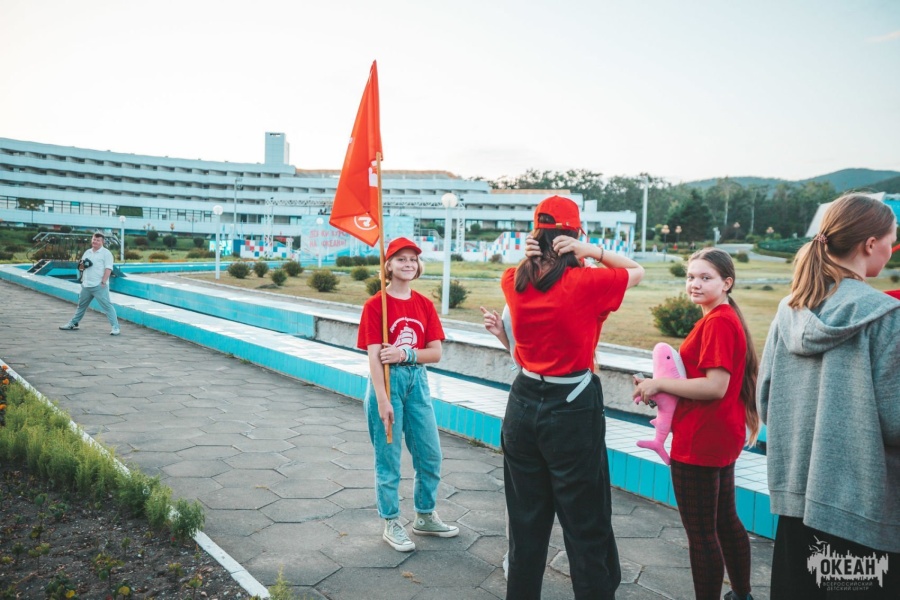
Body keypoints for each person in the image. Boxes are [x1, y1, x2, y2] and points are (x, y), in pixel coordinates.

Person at [497, 195, 644, 600]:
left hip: (523, 402)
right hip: (571, 407)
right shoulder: (586, 283)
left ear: (535, 234)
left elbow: (532, 273)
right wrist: (592, 251)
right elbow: (637, 270)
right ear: (574, 235)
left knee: (525, 526)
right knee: (585, 526)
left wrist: (533, 254)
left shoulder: (512, 280)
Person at [757, 194, 900, 599]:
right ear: (870, 244)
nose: (891, 249)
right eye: (891, 241)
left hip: (796, 504)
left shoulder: (789, 310)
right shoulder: (886, 317)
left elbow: (766, 401)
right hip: (862, 513)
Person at [634, 247, 759, 600]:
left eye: (706, 277)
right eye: (691, 277)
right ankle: (742, 595)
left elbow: (715, 387)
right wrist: (656, 387)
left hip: (700, 439)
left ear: (726, 283)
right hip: (719, 434)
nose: (695, 284)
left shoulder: (718, 322)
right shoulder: (722, 317)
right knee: (725, 521)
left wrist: (658, 384)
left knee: (702, 535)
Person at [356, 237, 459, 552]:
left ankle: (425, 515)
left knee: (430, 454)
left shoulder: (424, 304)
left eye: (413, 259)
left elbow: (435, 353)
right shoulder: (376, 305)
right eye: (401, 259)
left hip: (417, 382)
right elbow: (374, 357)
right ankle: (391, 521)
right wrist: (382, 399)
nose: (408, 264)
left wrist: (404, 353)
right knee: (388, 458)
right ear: (388, 265)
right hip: (388, 384)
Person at [59, 231, 121, 335]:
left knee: (107, 306)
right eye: (94, 239)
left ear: (102, 242)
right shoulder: (87, 252)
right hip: (86, 285)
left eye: (98, 240)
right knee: (81, 306)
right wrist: (84, 265)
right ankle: (73, 323)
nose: (95, 241)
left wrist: (103, 281)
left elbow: (108, 269)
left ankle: (115, 327)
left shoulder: (106, 253)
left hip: (99, 286)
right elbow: (80, 266)